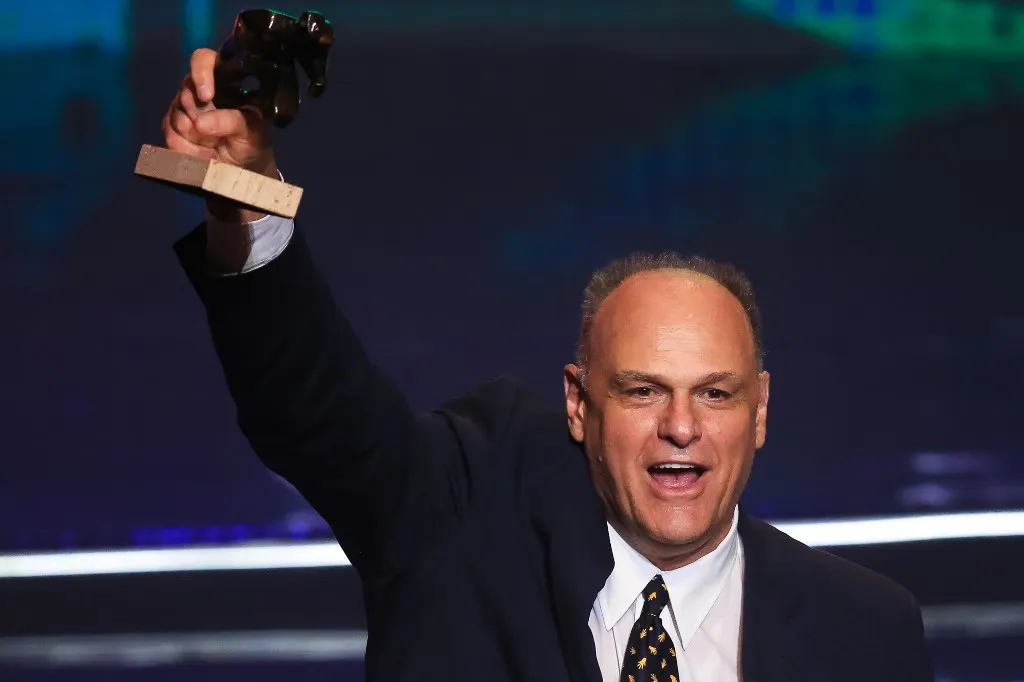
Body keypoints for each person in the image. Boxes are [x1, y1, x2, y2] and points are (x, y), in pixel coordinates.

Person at [164, 48, 934, 682]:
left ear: (760, 410)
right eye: (641, 391)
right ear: (577, 402)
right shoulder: (464, 521)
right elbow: (321, 417)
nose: (680, 428)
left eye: (716, 394)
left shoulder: (864, 629)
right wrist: (248, 204)